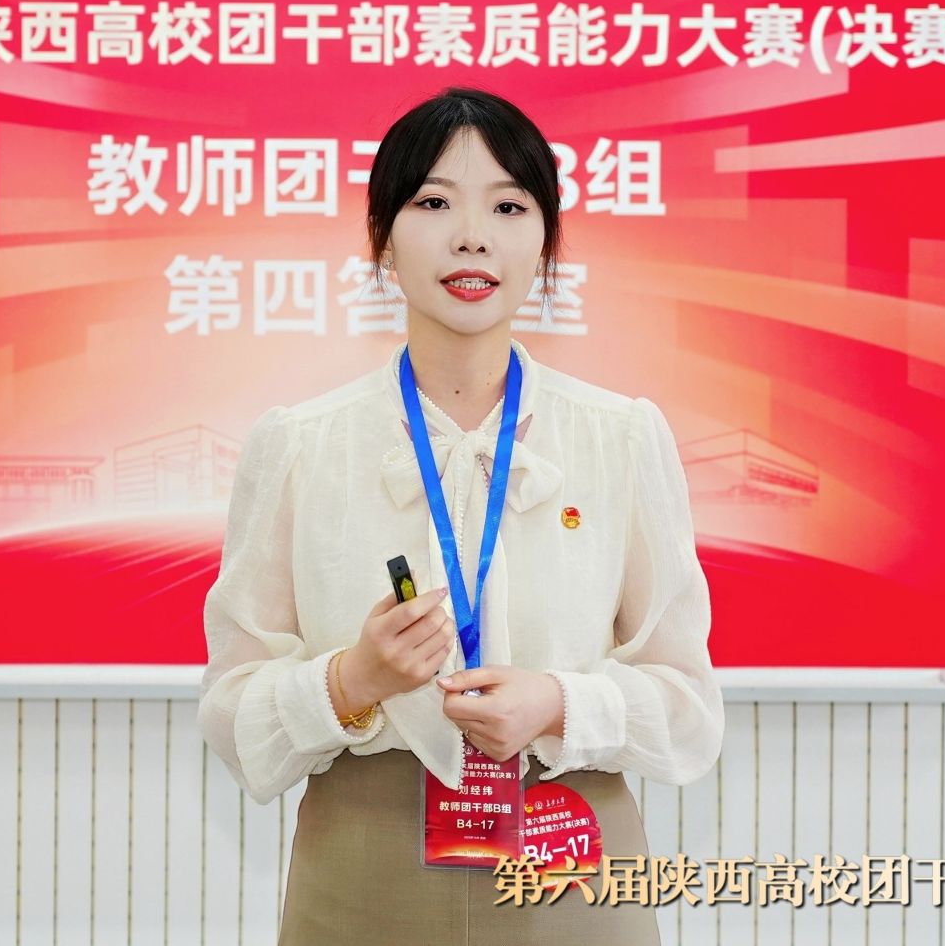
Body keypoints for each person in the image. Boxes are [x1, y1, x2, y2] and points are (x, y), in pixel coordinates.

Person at [197, 86, 725, 944]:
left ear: (545, 243)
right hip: (361, 868)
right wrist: (351, 682)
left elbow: (689, 709)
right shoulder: (300, 444)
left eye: (508, 206)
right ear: (382, 240)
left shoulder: (621, 436)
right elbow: (230, 709)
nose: (472, 236)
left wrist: (557, 703)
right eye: (434, 202)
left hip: (569, 855)